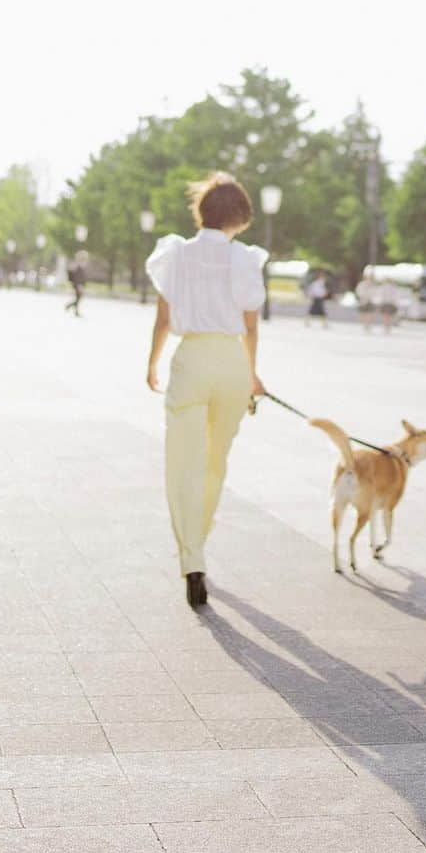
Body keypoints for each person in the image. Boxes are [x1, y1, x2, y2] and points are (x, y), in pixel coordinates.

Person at [145, 173, 267, 608]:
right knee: (216, 462)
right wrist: (252, 375)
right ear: (239, 219)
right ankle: (201, 536)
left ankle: (192, 558)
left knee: (182, 462)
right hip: (231, 362)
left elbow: (163, 320)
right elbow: (251, 327)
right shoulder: (245, 260)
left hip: (192, 357)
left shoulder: (174, 254)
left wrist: (152, 363)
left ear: (202, 213)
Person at [65, 251, 87, 316]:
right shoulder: (78, 266)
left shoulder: (80, 265)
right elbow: (77, 277)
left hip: (79, 285)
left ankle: (72, 309)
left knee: (78, 298)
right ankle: (72, 308)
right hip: (78, 285)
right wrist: (79, 285)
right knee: (78, 298)